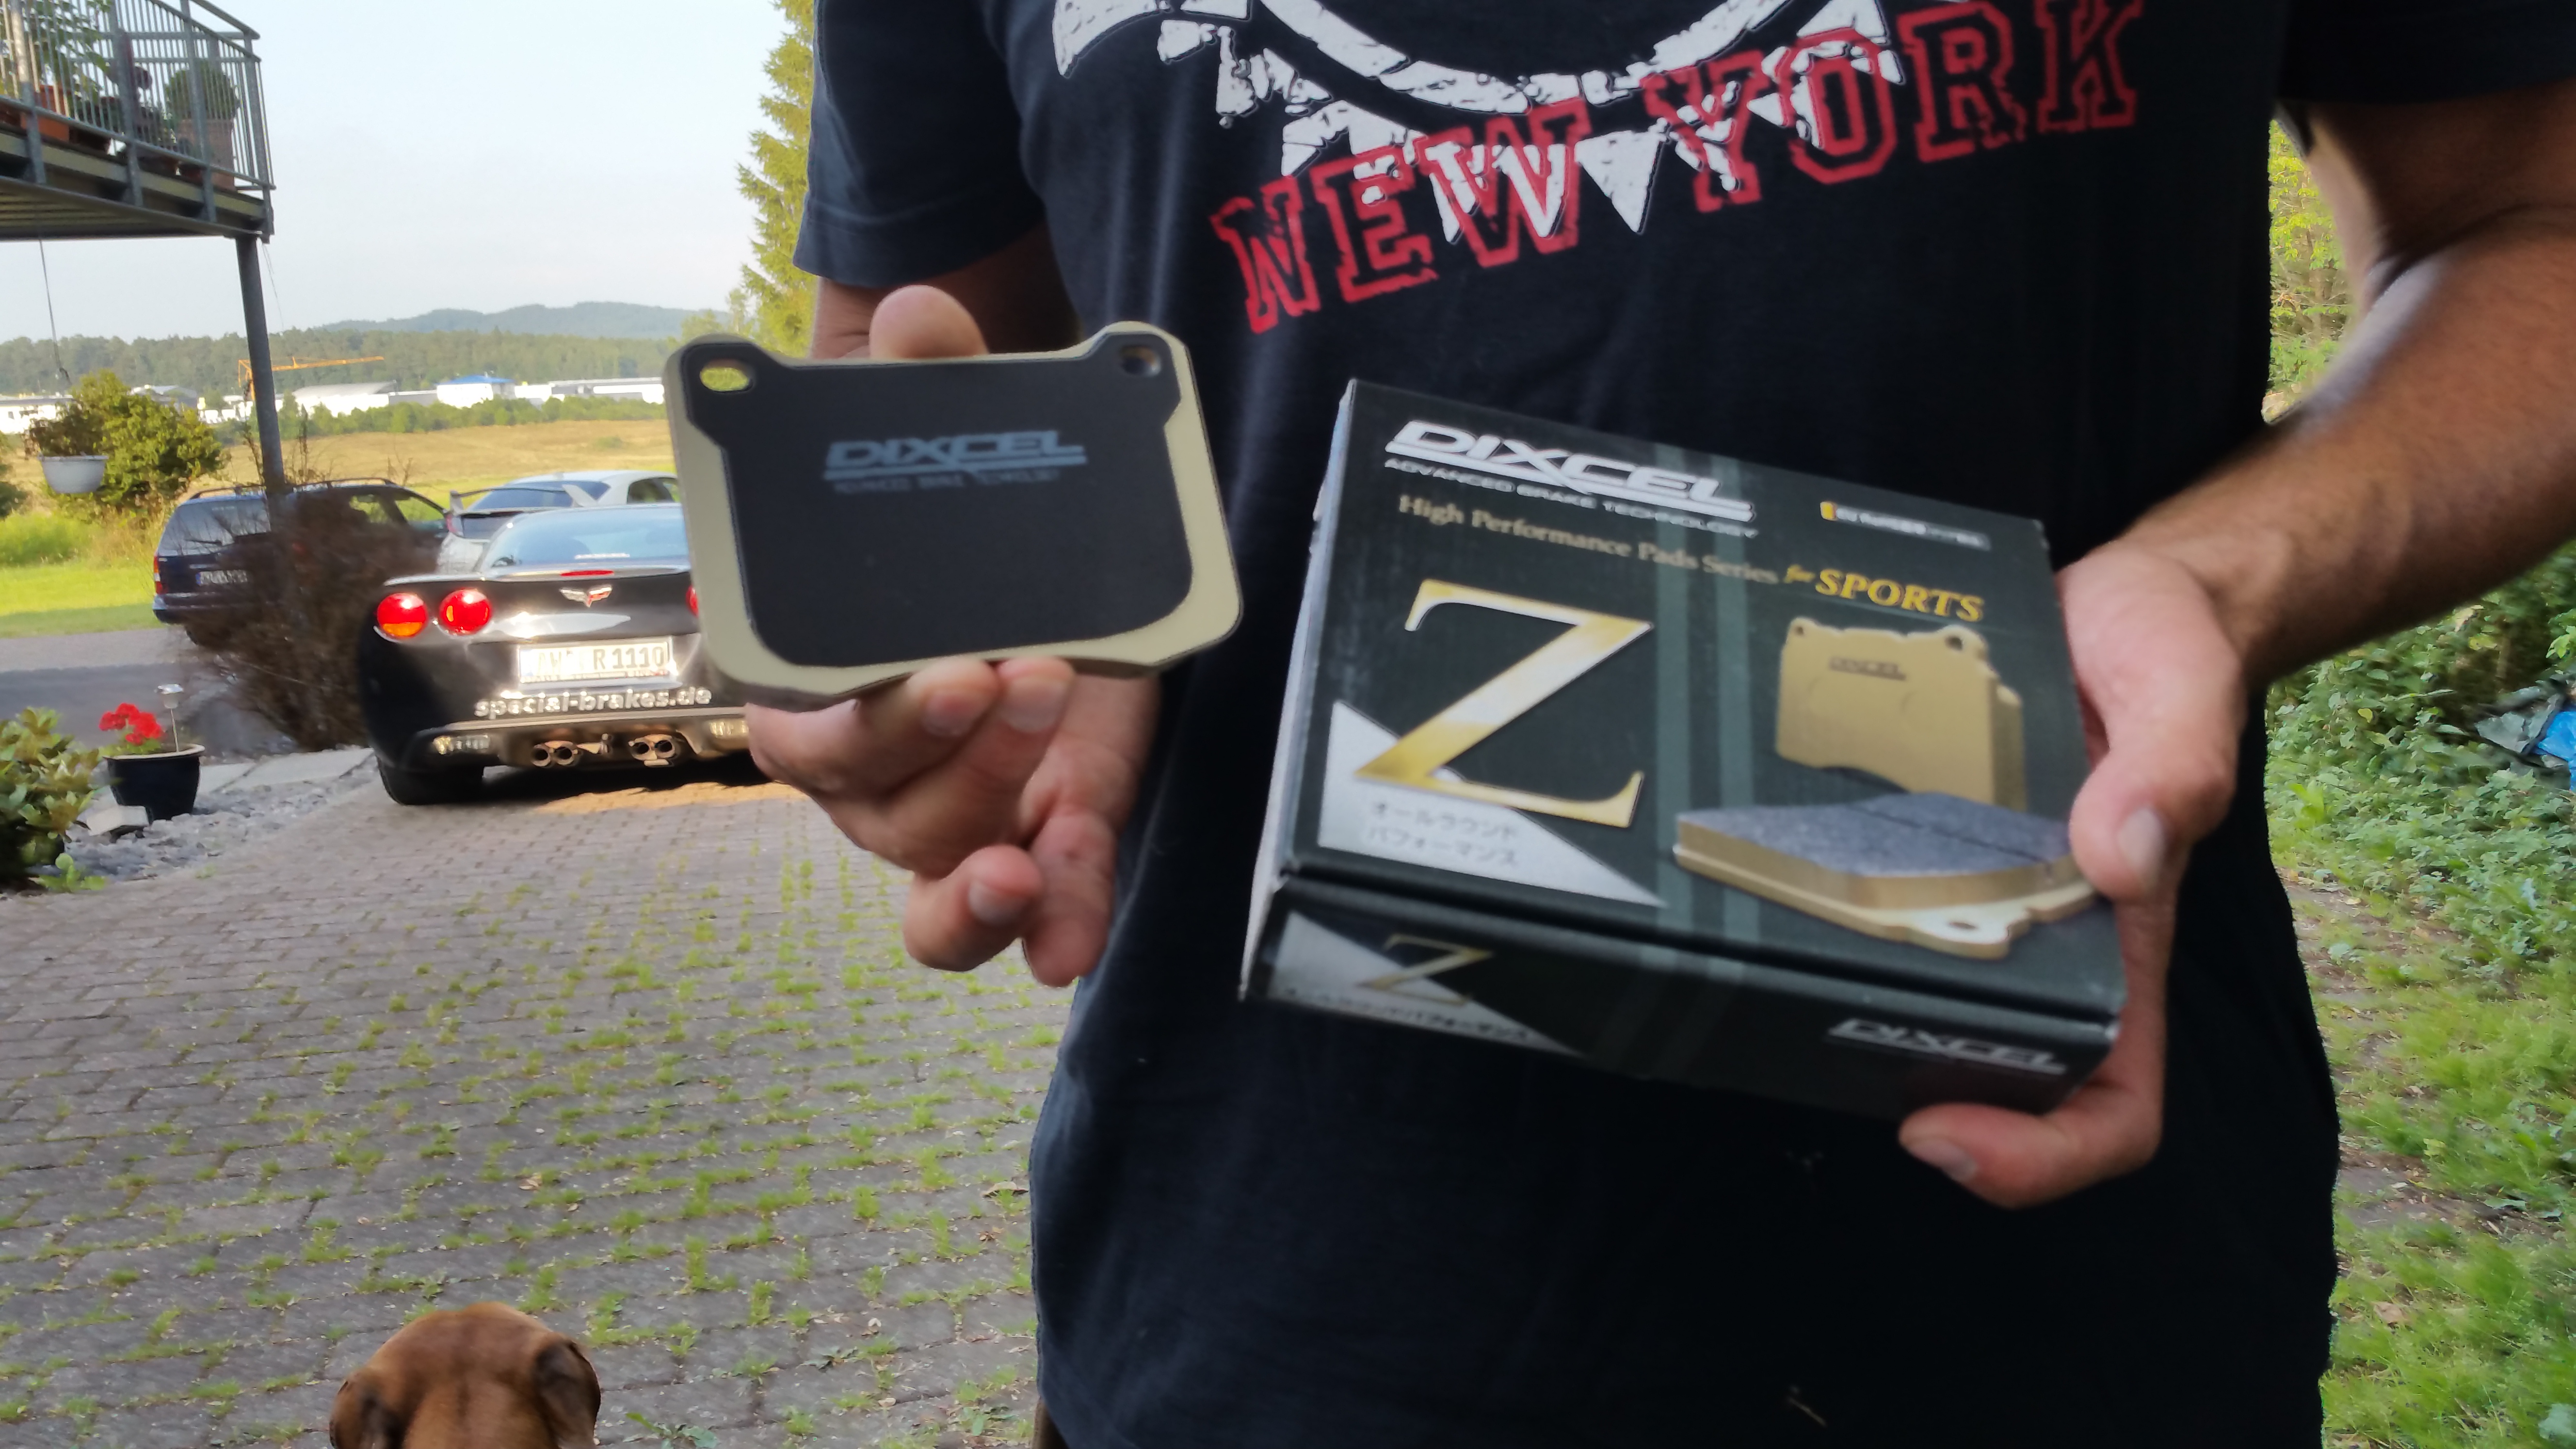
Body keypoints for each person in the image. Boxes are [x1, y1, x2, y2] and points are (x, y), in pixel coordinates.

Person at [750, 3, 2576, 1442]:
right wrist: (920, 633)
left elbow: (2529, 224)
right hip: (1243, 1292)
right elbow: (913, 352)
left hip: (2064, 1269)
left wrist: (2218, 580)